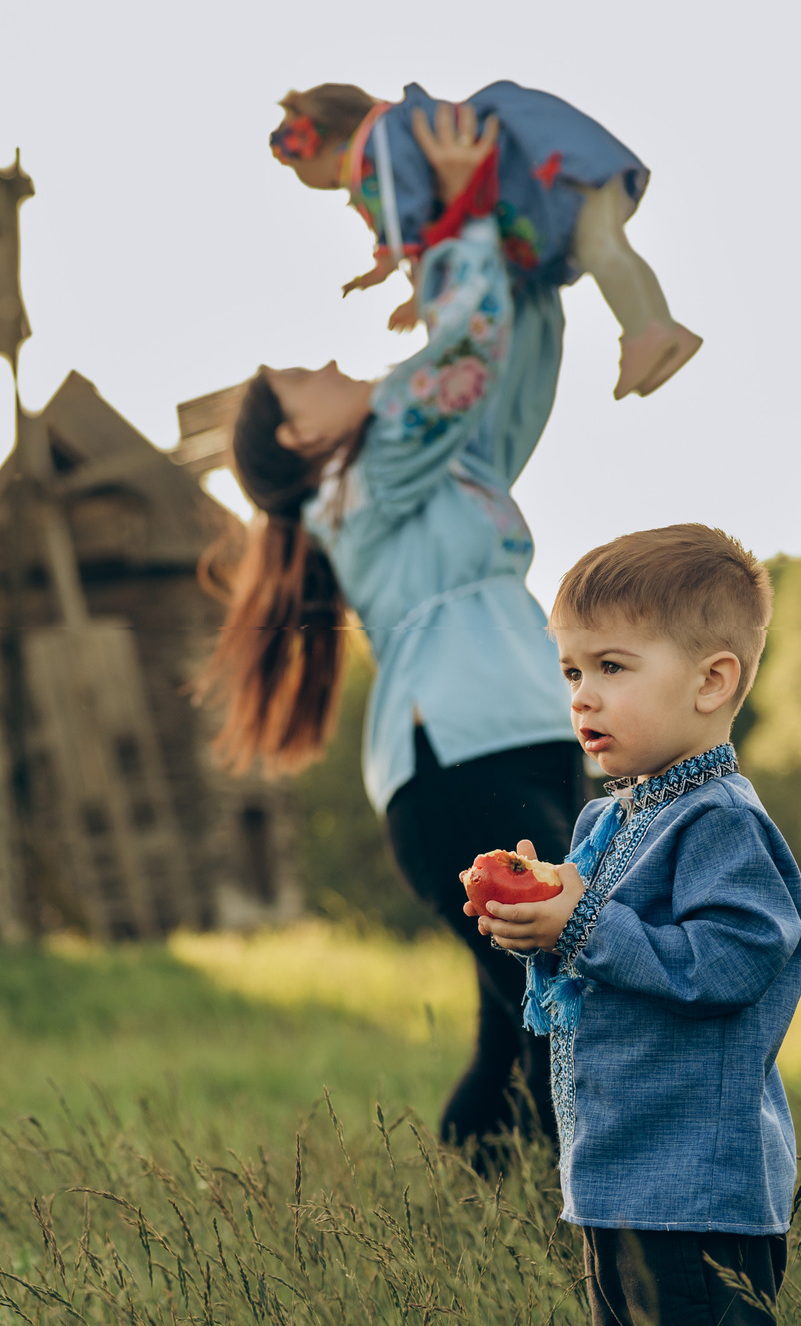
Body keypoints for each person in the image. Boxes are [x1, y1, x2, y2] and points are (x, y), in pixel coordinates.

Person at [199, 105, 578, 1175]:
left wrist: (520, 249)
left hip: (515, 740)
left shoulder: (425, 464)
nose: (327, 359)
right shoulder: (362, 485)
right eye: (300, 377)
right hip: (459, 766)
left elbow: (510, 360)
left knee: (521, 1015)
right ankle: (597, 1228)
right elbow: (459, 349)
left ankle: (485, 1183)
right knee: (560, 993)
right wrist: (451, 218)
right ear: (301, 437)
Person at [468, 524, 801, 1326]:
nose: (580, 696)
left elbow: (733, 964)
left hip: (699, 1182)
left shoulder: (721, 823)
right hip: (614, 1169)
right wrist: (537, 920)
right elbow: (589, 970)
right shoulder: (604, 823)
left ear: (712, 681)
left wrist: (578, 924)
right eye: (570, 669)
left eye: (612, 667)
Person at [273, 82, 703, 399]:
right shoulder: (393, 135)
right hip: (547, 159)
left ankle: (650, 331)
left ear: (319, 143)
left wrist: (418, 291)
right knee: (601, 243)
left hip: (547, 175)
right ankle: (652, 329)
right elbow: (406, 218)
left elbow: (410, 211)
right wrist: (384, 268)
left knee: (601, 246)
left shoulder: (381, 143)